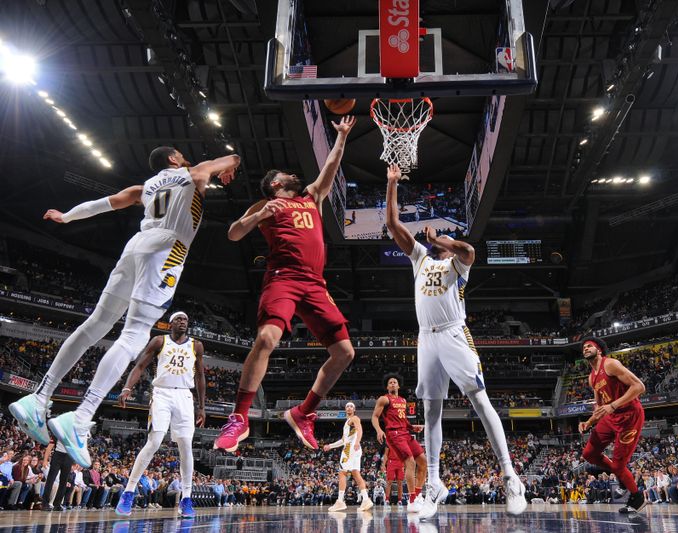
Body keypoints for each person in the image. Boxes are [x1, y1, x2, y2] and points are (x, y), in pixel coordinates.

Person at [10, 147, 238, 467]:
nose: (187, 158)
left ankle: (40, 396)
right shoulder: (193, 173)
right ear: (173, 159)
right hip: (167, 249)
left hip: (136, 247)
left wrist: (67, 216)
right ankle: (80, 418)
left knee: (95, 324)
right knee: (134, 335)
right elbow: (227, 160)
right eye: (181, 155)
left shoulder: (144, 188)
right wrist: (231, 165)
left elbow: (104, 204)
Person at [383, 163, 527, 519]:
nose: (437, 245)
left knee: (479, 400)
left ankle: (511, 477)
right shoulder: (419, 259)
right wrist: (391, 184)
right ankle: (433, 483)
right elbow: (393, 226)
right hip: (426, 339)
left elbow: (468, 250)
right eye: (435, 243)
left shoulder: (457, 265)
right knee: (431, 410)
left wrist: (439, 240)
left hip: (453, 334)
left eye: (442, 243)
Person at [214, 116, 357, 452]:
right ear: (275, 185)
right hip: (284, 279)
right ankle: (239, 418)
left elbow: (331, 169)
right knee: (267, 337)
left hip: (315, 284)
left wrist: (342, 137)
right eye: (286, 175)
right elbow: (234, 233)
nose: (294, 175)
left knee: (345, 352)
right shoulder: (267, 205)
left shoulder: (311, 198)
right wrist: (258, 216)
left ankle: (304, 413)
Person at [114, 311, 206, 518]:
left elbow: (200, 376)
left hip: (184, 396)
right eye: (179, 319)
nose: (183, 322)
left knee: (185, 445)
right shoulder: (159, 341)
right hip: (162, 394)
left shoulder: (196, 345)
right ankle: (128, 492)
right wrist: (127, 388)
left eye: (186, 320)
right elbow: (139, 366)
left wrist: (202, 406)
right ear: (170, 323)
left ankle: (187, 498)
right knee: (154, 442)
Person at [576, 336, 647, 514]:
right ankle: (621, 477)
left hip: (629, 416)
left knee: (617, 466)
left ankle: (637, 497)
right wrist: (589, 422)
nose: (586, 348)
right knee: (589, 453)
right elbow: (600, 407)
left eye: (589, 346)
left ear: (599, 350)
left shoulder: (610, 364)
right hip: (611, 416)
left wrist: (613, 405)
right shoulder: (591, 377)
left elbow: (639, 387)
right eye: (583, 347)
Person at [371, 375, 426, 513]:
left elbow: (404, 420)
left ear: (398, 386)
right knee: (410, 462)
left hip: (405, 433)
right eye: (390, 382)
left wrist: (412, 427)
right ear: (387, 387)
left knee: (423, 462)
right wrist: (378, 430)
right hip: (394, 434)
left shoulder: (403, 400)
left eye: (395, 382)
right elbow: (375, 417)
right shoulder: (384, 399)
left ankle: (418, 495)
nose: (393, 384)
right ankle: (411, 500)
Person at [322, 402, 374, 512]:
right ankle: (366, 500)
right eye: (347, 406)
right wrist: (330, 446)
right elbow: (343, 440)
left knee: (342, 473)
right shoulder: (347, 423)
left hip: (350, 448)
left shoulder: (354, 418)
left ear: (354, 409)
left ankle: (340, 501)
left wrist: (357, 442)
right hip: (353, 449)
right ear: (345, 409)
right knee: (356, 473)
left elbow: (360, 430)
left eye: (351, 406)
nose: (349, 408)